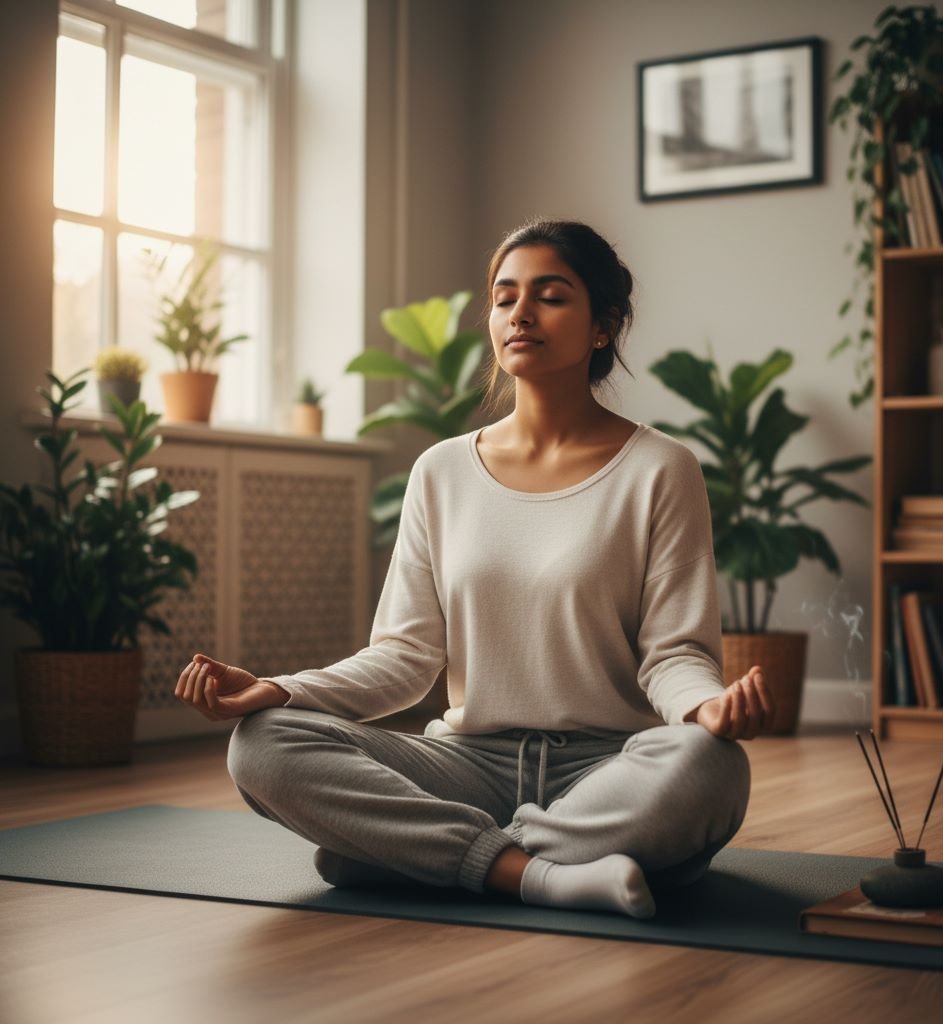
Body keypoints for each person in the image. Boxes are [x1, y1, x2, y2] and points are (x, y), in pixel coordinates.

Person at [175, 219, 775, 920]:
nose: (520, 313)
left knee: (713, 768)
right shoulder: (442, 471)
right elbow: (402, 659)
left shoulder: (660, 470)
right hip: (465, 766)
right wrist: (277, 689)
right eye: (503, 297)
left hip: (610, 768)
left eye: (550, 296)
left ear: (604, 326)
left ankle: (417, 858)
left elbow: (673, 653)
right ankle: (537, 874)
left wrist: (707, 708)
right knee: (263, 745)